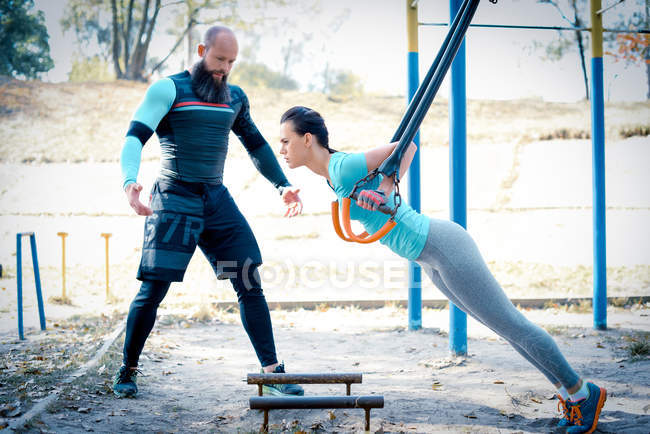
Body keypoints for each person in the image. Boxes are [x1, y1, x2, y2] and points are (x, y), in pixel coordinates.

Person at [277, 106, 607, 434]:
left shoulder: (343, 166)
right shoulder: (332, 176)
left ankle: (583, 392)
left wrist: (384, 189)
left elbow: (406, 146)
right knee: (506, 330)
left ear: (307, 139)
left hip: (443, 247)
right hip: (430, 258)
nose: (282, 150)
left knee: (513, 324)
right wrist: (380, 194)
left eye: (285, 142)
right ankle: (571, 396)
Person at [112, 26, 305, 399]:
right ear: (202, 50)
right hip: (174, 199)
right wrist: (129, 182)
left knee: (248, 279)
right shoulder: (168, 89)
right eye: (219, 60)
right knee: (154, 289)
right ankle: (127, 369)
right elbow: (134, 136)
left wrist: (282, 185)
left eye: (231, 62)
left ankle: (272, 372)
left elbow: (256, 144)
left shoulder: (234, 96)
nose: (224, 69)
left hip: (215, 201)